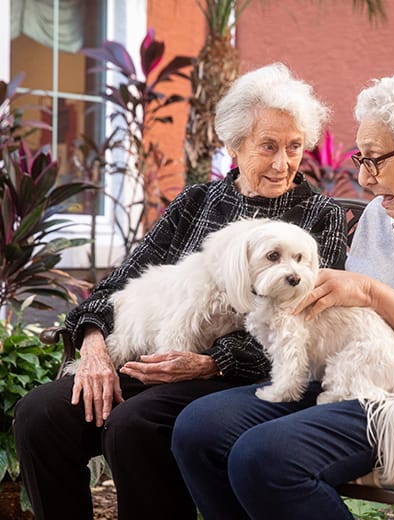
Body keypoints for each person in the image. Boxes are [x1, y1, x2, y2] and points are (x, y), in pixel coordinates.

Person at [171, 71, 394, 520]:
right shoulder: (380, 217)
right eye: (359, 158)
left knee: (266, 456)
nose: (364, 179)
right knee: (200, 428)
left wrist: (372, 293)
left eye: (376, 161)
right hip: (357, 386)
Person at [13, 62, 348, 520]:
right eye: (268, 146)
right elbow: (120, 282)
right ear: (234, 146)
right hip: (154, 353)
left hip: (237, 375)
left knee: (135, 423)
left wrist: (213, 362)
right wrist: (93, 344)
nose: (282, 163)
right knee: (40, 414)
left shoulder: (318, 217)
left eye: (293, 147)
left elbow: (307, 319)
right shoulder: (197, 203)